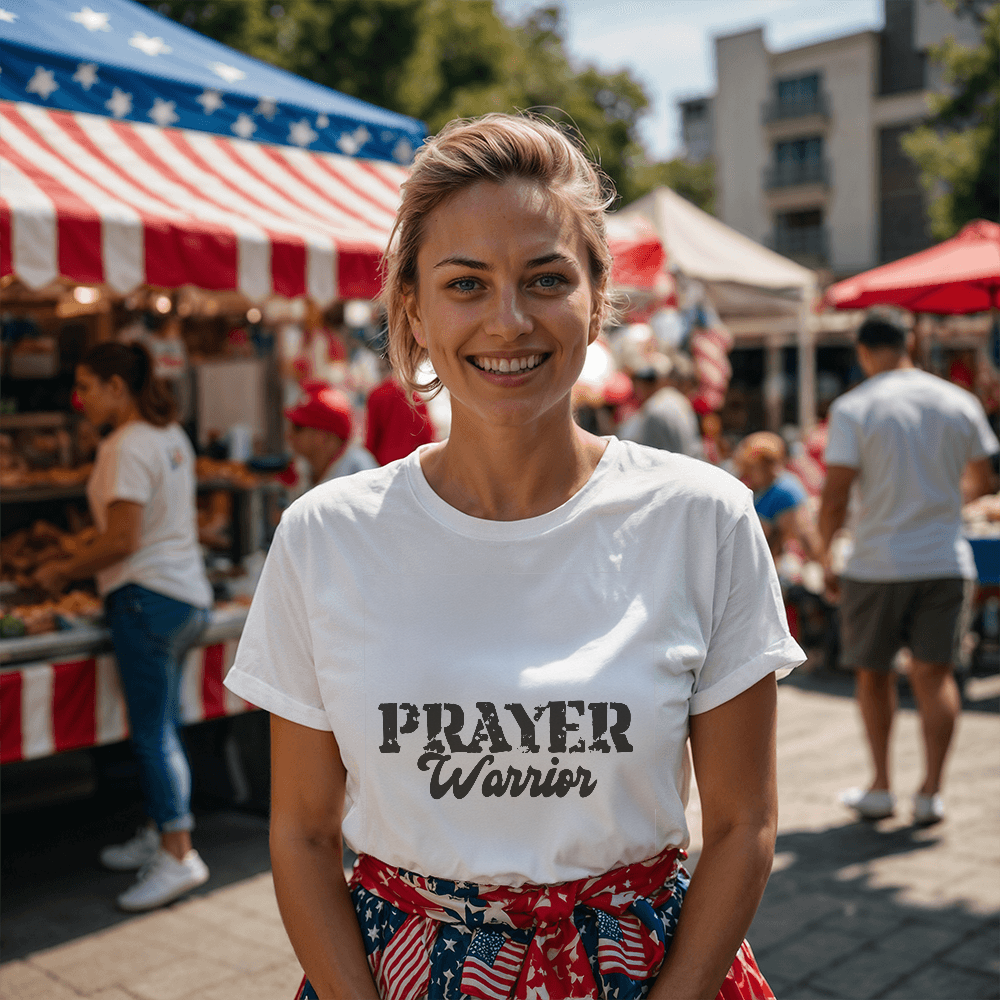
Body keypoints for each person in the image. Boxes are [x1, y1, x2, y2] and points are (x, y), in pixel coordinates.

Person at [224, 113, 803, 1000]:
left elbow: (741, 823)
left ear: (597, 299)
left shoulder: (704, 518)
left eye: (545, 279)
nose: (508, 320)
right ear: (412, 307)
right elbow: (301, 834)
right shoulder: (323, 537)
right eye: (465, 283)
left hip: (653, 973)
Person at [34, 342, 213, 911]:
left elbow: (122, 540)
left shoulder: (124, 445)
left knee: (152, 732)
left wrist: (63, 568)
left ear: (117, 386)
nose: (80, 398)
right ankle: (161, 831)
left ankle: (178, 853)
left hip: (146, 600)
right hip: (185, 598)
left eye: (87, 385)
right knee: (165, 725)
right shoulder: (170, 436)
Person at [819, 312, 999, 825]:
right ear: (912, 342)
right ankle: (930, 792)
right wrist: (939, 502)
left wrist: (824, 553)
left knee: (873, 676)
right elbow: (982, 480)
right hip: (945, 557)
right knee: (936, 675)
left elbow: (834, 496)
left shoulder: (855, 408)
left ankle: (880, 785)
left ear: (862, 350)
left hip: (876, 561)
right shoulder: (957, 400)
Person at [736, 431, 823, 565]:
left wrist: (823, 567)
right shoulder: (751, 488)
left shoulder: (785, 489)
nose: (745, 473)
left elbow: (806, 536)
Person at [618, 344, 705, 459]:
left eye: (650, 380)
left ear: (664, 379)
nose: (642, 385)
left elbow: (650, 459)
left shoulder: (657, 408)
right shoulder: (676, 400)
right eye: (640, 379)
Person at [285, 384, 377, 488]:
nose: (289, 435)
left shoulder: (360, 472)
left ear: (323, 436)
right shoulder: (307, 468)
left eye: (298, 427)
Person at [364, 367, 436, 466]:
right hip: (411, 463)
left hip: (384, 464)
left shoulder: (376, 395)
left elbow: (371, 437)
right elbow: (428, 435)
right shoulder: (414, 396)